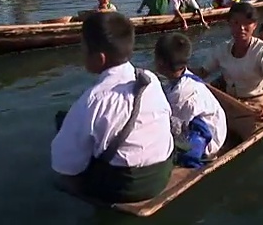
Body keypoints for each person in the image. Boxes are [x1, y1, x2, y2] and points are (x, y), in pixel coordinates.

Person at [51, 12, 174, 203]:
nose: (81, 52)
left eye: (83, 47)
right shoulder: (151, 79)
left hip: (126, 187)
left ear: (100, 58)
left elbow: (64, 165)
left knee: (63, 168)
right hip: (161, 174)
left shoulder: (94, 99)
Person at [193, 2, 263, 140]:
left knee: (252, 133)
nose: (241, 28)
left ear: (254, 25)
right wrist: (180, 69)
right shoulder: (222, 49)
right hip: (231, 101)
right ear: (229, 24)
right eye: (236, 23)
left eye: (247, 24)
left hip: (256, 105)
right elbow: (202, 72)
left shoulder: (262, 51)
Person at [154, 33, 227, 168]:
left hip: (209, 141)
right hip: (213, 127)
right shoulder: (184, 77)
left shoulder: (182, 96)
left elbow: (172, 128)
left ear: (160, 62)